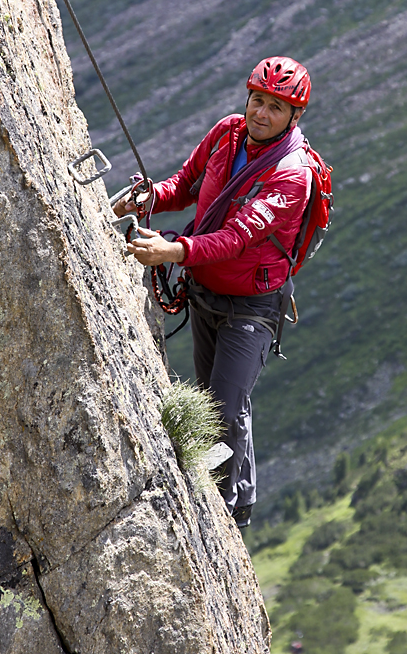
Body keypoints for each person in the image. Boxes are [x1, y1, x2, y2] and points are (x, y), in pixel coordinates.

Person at [113, 56, 312, 527]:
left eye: (276, 107)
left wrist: (172, 251)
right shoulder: (227, 133)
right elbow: (186, 186)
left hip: (253, 307)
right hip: (205, 290)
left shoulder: (292, 175)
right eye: (258, 100)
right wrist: (152, 198)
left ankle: (221, 508)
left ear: (294, 117)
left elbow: (237, 238)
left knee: (224, 404)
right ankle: (238, 497)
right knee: (210, 402)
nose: (261, 113)